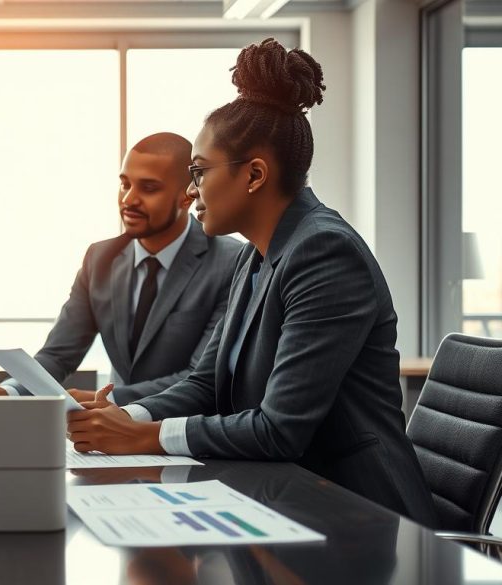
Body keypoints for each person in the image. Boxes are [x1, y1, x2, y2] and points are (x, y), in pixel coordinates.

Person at [66, 39, 438, 527]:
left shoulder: (325, 253)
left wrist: (143, 437)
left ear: (255, 175)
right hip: (286, 498)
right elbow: (206, 382)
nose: (191, 191)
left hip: (360, 516)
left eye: (198, 172)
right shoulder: (255, 256)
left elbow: (279, 429)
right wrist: (123, 415)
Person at [0, 133, 241, 405]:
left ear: (187, 197)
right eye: (125, 184)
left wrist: (110, 401)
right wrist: (9, 390)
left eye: (149, 188)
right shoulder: (100, 259)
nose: (129, 199)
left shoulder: (229, 262)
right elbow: (57, 355)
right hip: (109, 436)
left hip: (182, 430)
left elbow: (200, 376)